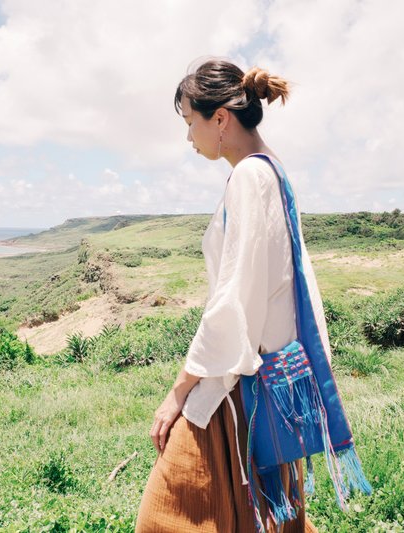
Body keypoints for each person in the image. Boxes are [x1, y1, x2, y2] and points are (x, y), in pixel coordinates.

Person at [135, 58, 329, 532]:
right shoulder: (273, 171)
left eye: (189, 123)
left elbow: (233, 300)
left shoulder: (249, 177)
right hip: (271, 378)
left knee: (167, 513)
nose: (188, 138)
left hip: (239, 385)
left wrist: (178, 391)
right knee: (256, 515)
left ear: (219, 118)